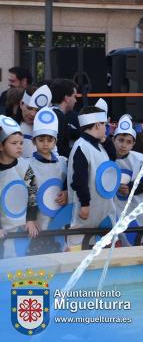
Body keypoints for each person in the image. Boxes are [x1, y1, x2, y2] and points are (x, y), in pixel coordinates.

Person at [66, 105, 119, 251]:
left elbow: (112, 159)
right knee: (80, 247)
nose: (106, 128)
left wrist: (106, 141)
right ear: (97, 124)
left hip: (103, 208)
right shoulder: (81, 147)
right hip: (87, 208)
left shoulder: (100, 145)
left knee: (104, 251)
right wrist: (85, 204)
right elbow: (79, 178)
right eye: (104, 125)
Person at [113, 114, 143, 245]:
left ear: (133, 144)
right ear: (113, 140)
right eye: (120, 140)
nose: (123, 145)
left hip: (137, 207)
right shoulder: (105, 158)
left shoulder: (141, 159)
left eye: (128, 142)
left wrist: (131, 188)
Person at [0, 115, 38, 258]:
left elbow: (33, 192)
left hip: (22, 227)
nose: (19, 146)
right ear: (1, 145)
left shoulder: (24, 166)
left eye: (21, 143)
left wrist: (31, 219)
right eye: (14, 143)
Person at [29, 107, 68, 239]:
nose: (45, 144)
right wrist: (30, 219)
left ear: (55, 141)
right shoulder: (27, 165)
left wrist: (67, 193)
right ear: (34, 141)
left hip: (59, 218)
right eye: (41, 140)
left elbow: (69, 184)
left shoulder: (63, 163)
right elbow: (28, 194)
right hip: (37, 221)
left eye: (49, 140)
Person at [17, 85, 52, 158]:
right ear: (21, 104)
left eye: (38, 110)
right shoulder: (11, 127)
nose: (33, 114)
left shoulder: (49, 130)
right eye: (29, 108)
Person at [50, 78, 79, 158]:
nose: (75, 101)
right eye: (74, 97)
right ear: (66, 98)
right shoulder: (59, 116)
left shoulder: (51, 113)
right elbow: (60, 147)